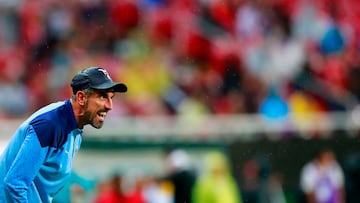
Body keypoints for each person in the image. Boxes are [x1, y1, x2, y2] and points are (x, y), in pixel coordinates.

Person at [0, 66, 127, 202]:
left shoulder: (73, 128)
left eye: (111, 97)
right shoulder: (49, 125)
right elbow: (14, 185)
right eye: (102, 96)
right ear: (81, 97)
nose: (110, 105)